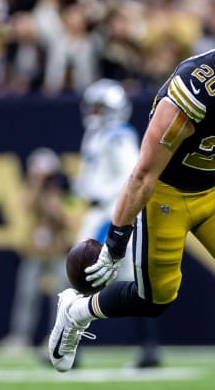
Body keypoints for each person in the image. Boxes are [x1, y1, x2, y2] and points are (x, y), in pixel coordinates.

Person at [48, 2, 215, 390]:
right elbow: (143, 173)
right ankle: (77, 310)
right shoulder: (193, 92)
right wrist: (115, 243)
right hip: (167, 194)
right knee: (156, 299)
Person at [72, 78, 162, 367]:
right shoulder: (95, 136)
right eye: (93, 107)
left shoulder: (119, 135)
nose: (94, 113)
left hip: (113, 212)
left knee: (88, 276)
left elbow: (130, 176)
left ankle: (70, 348)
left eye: (100, 108)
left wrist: (111, 221)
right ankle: (148, 350)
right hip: (97, 210)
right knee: (109, 281)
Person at [0, 148, 74, 354]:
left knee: (60, 298)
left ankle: (57, 337)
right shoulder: (31, 189)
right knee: (27, 295)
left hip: (58, 250)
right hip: (34, 251)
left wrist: (52, 202)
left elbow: (68, 219)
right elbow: (23, 205)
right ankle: (20, 337)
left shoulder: (64, 190)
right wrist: (37, 185)